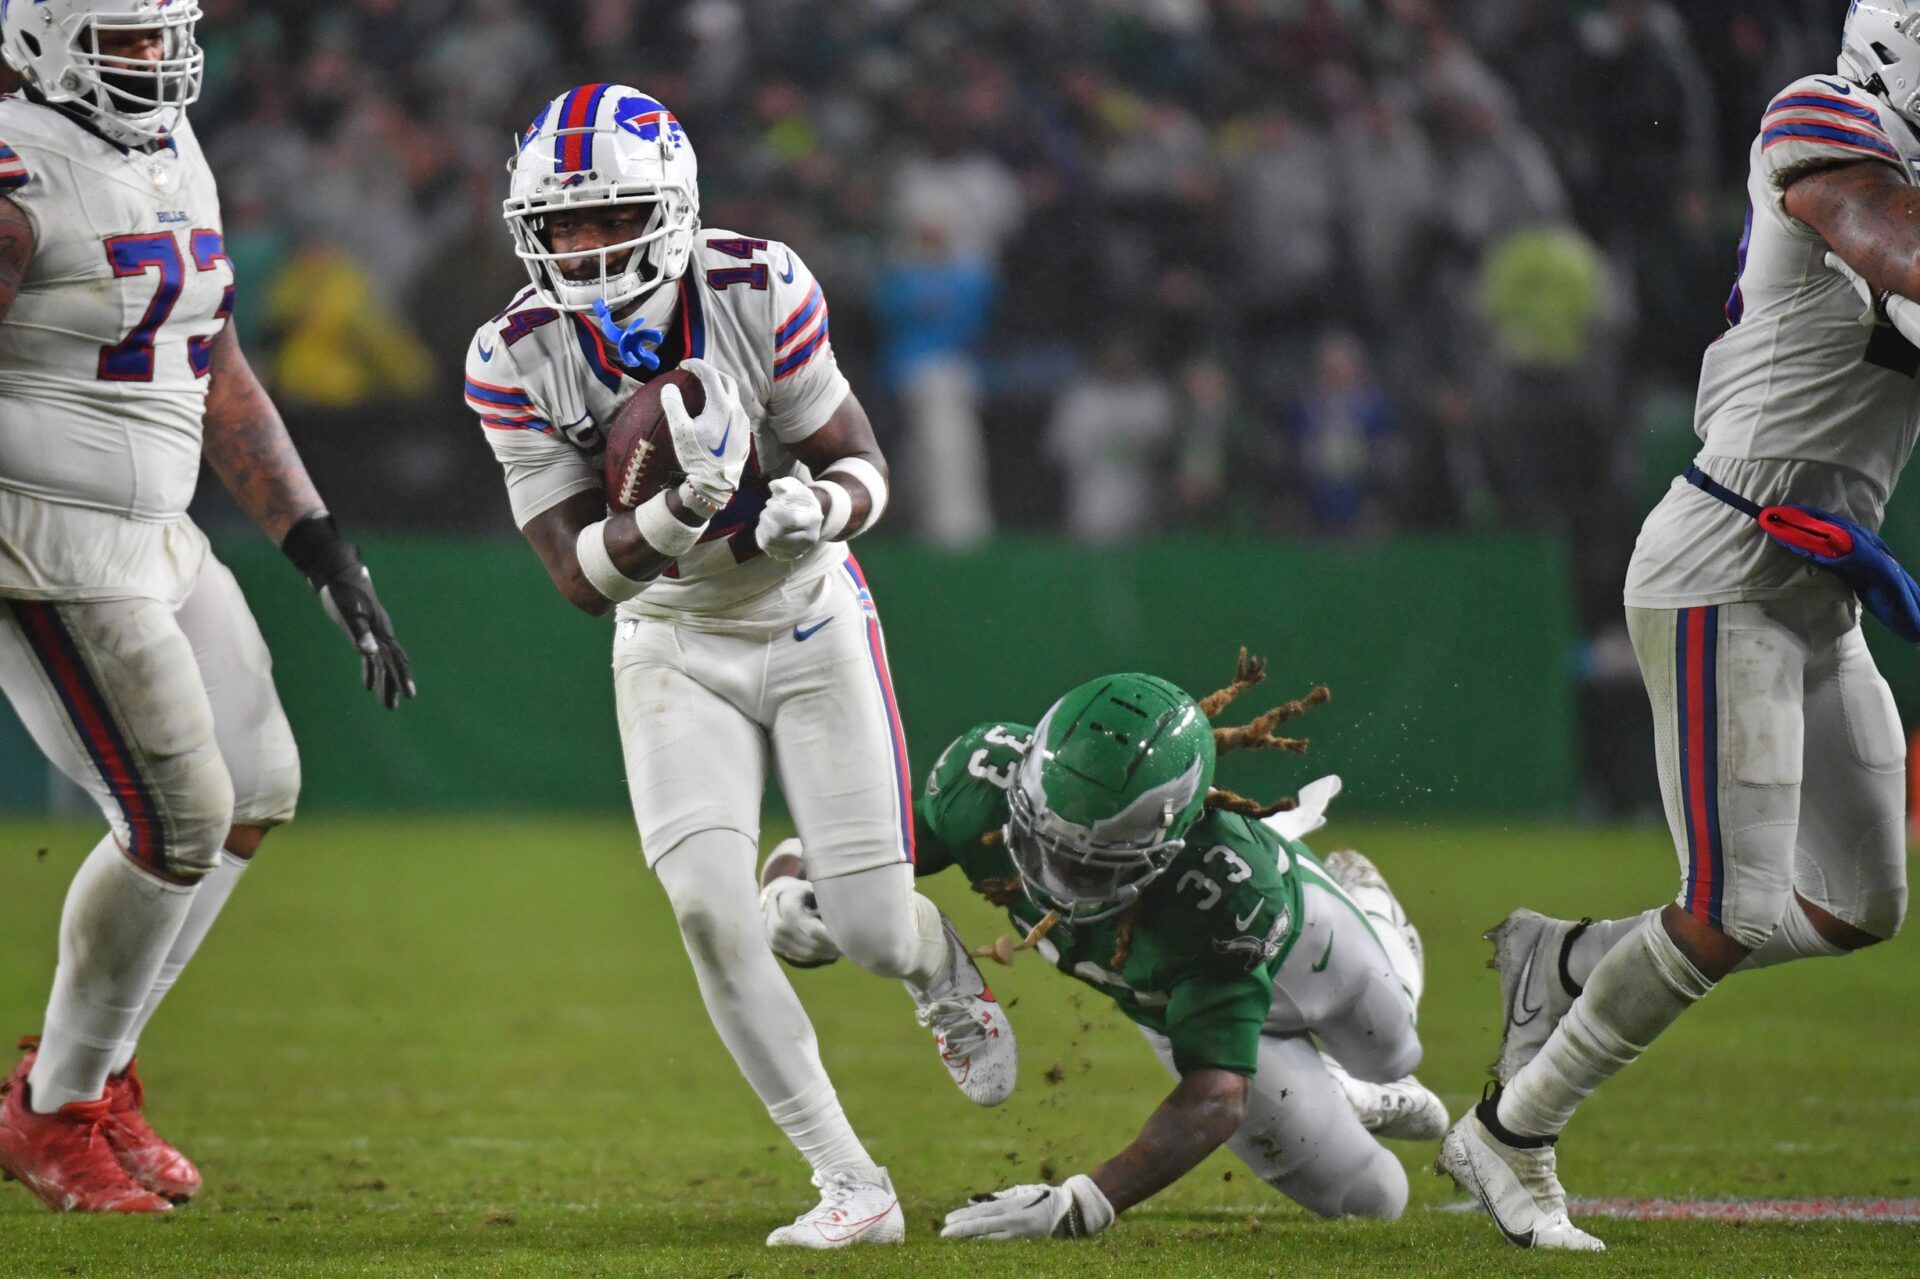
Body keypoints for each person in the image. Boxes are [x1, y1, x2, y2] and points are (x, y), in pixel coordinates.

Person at [463, 84, 1016, 1248]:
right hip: (670, 639)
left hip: (809, 614)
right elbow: (574, 575)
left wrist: (818, 505)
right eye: (558, 225)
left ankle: (924, 959)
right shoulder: (513, 351)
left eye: (605, 216)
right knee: (708, 912)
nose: (580, 245)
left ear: (668, 207)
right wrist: (682, 514)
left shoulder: (757, 282)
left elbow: (865, 462)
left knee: (867, 928)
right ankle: (850, 1183)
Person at [1439, 3, 1916, 1251]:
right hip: (1727, 563)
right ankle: (1510, 1129)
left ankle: (1577, 959)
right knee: (1733, 903)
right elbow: (1888, 242)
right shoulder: (1822, 121)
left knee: (1863, 901)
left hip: (1818, 584)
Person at [0, 0, 414, 1214]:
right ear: (43, 37)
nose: (158, 59)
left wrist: (318, 542)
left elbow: (214, 361)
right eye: (125, 39)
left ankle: (93, 1071)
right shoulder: (18, 176)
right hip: (47, 540)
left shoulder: (173, 149)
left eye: (162, 34)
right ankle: (52, 1114)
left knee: (259, 785)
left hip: (161, 530)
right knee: (177, 815)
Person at [762, 652, 1447, 1239]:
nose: (1057, 879)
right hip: (1176, 1002)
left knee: (1394, 1049)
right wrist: (789, 880)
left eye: (1094, 865)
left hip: (1302, 950)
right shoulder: (981, 782)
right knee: (1375, 1197)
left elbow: (1217, 1094)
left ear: (1173, 841)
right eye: (1044, 838)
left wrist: (1082, 1203)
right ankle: (1343, 1094)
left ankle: (1377, 914)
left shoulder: (1220, 888)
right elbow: (867, 852)